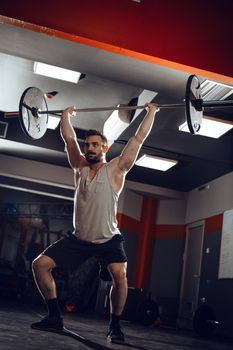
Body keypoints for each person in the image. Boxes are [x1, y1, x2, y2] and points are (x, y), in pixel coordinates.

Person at [30, 102, 159, 342]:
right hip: (79, 240)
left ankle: (115, 326)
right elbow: (68, 140)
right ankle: (54, 318)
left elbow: (138, 139)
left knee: (120, 276)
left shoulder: (116, 169)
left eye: (94, 145)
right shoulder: (79, 168)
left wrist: (150, 112)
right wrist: (65, 116)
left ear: (104, 148)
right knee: (39, 265)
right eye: (87, 144)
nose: (89, 148)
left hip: (108, 240)